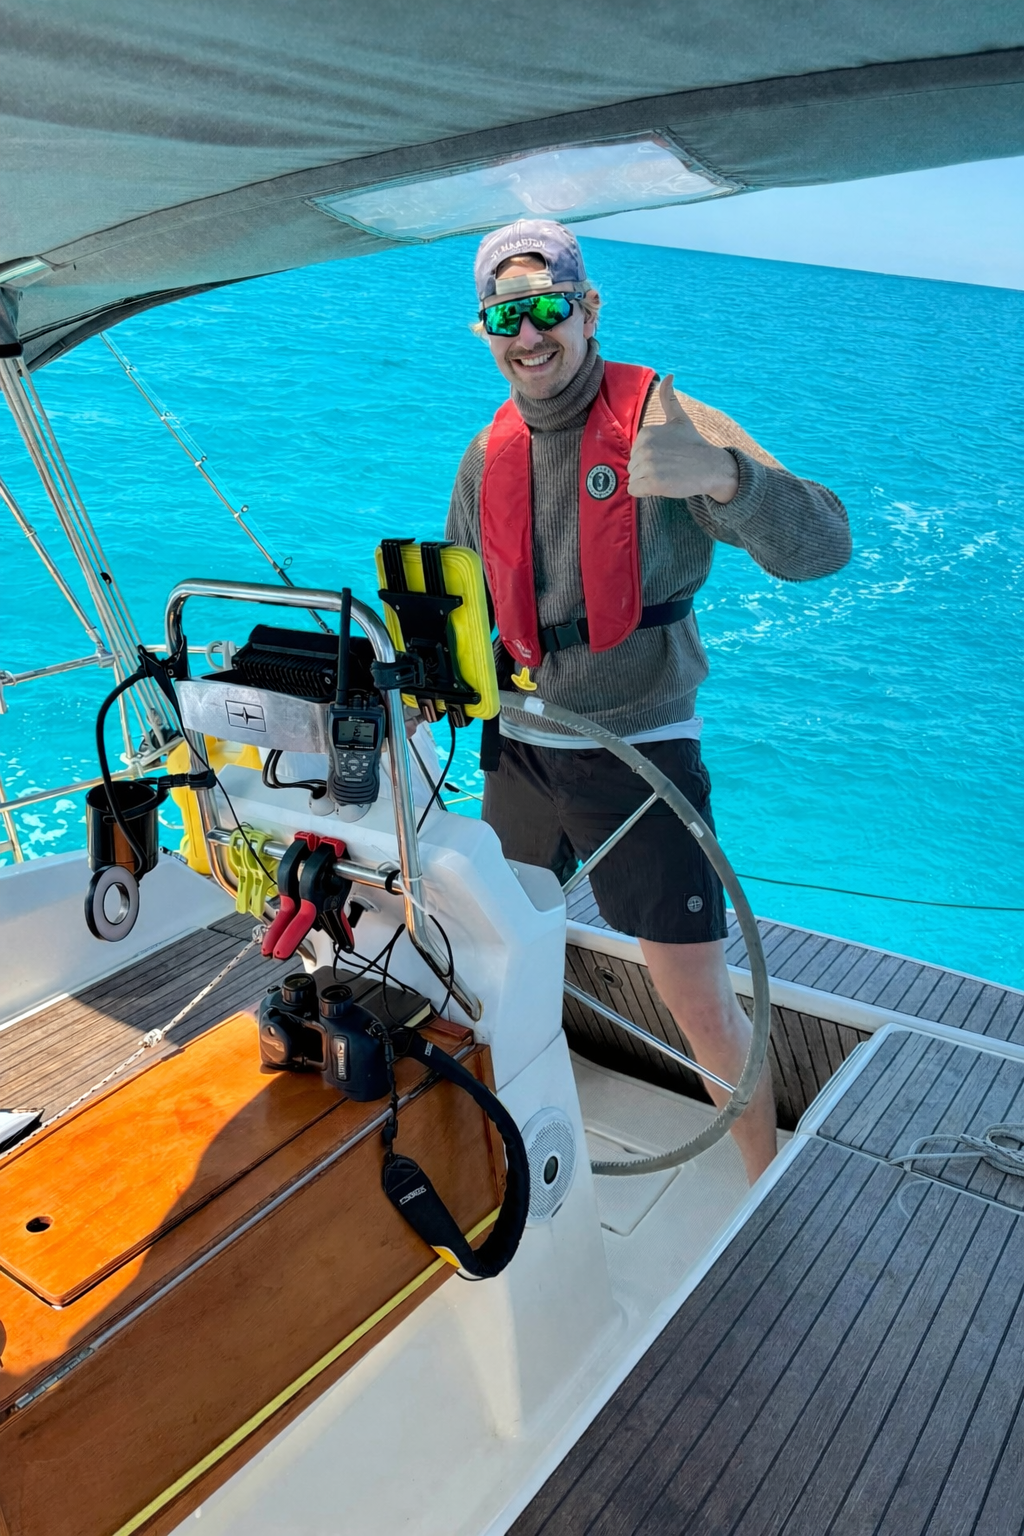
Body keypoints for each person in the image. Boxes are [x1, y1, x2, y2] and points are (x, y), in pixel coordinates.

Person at [445, 219, 852, 1183]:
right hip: (523, 752)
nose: (529, 333)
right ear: (485, 330)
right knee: (497, 957)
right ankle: (515, 1155)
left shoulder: (668, 420)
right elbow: (464, 600)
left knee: (699, 1002)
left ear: (588, 311)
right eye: (507, 315)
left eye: (549, 308)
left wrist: (725, 477)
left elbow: (823, 545)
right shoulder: (484, 453)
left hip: (642, 752)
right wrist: (432, 693)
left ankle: (763, 1200)